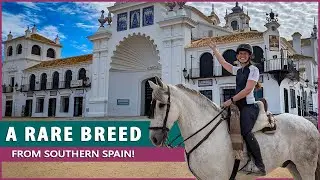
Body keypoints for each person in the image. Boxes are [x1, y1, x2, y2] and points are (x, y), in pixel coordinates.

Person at [208, 40, 266, 175]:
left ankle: (260, 165)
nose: (242, 56)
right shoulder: (238, 70)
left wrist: (231, 100)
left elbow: (247, 90)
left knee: (245, 132)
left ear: (249, 56)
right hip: (237, 106)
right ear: (237, 56)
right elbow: (223, 63)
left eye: (245, 54)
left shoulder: (254, 70)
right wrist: (215, 50)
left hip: (249, 106)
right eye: (240, 54)